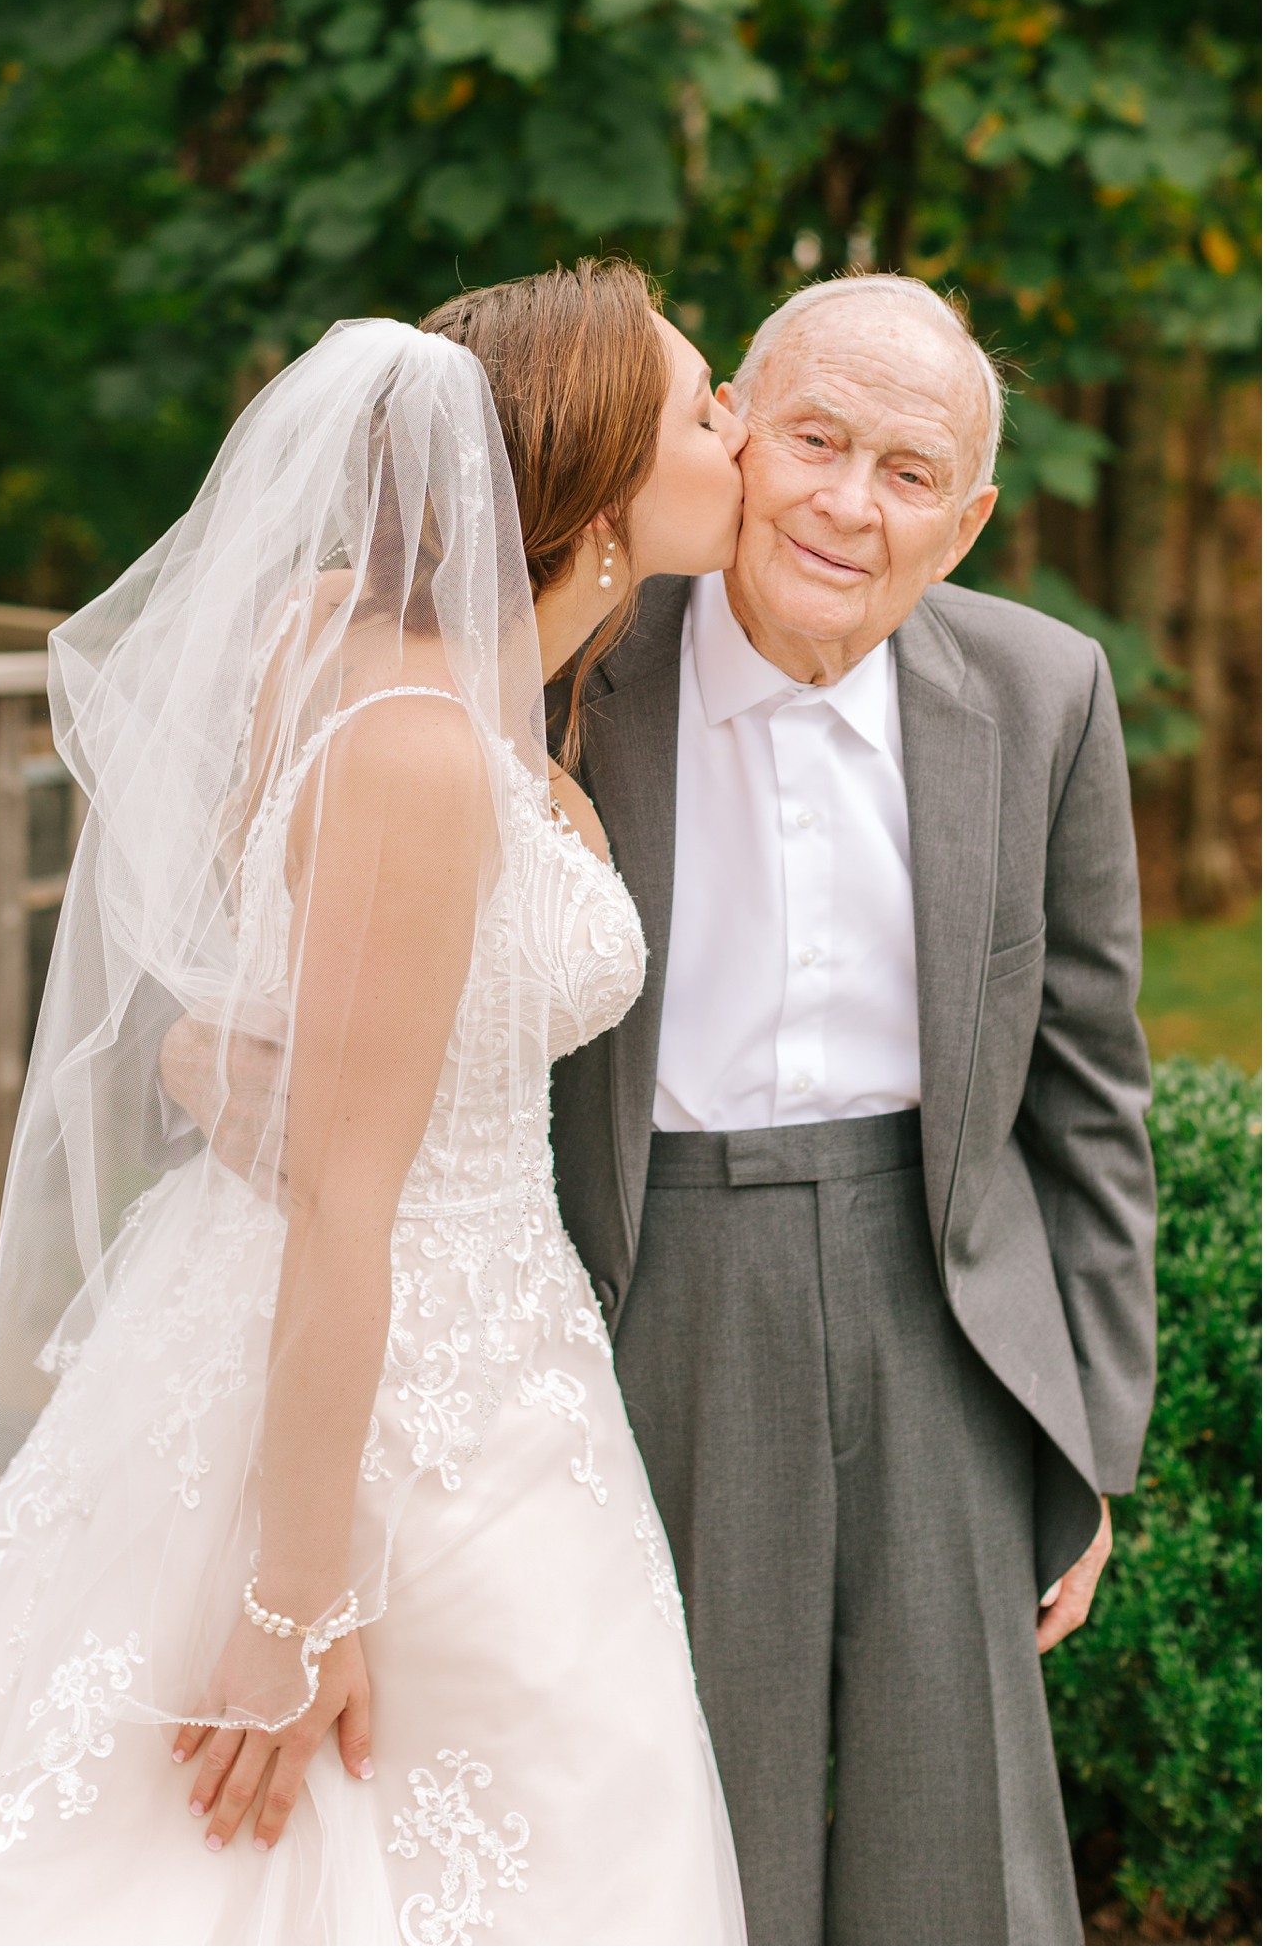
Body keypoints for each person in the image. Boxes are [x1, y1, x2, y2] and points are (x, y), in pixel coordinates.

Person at [0, 263, 751, 1947]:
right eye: (702, 405)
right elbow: (342, 1198)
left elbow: (252, 999)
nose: (735, 431)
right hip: (382, 1370)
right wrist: (294, 1597)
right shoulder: (418, 740)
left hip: (485, 1345)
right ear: (597, 490)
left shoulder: (378, 655)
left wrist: (207, 1052)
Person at [549, 272, 1157, 1947]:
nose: (845, 502)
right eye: (816, 438)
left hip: (939, 1298)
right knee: (678, 1800)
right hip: (652, 1273)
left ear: (962, 524)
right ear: (736, 437)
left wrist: (1088, 1436)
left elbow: (1093, 1097)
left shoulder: (1048, 696)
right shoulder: (583, 670)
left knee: (957, 1828)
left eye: (906, 472)